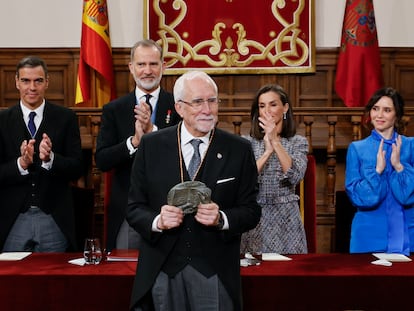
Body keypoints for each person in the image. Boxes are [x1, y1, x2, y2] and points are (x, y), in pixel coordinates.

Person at [126, 70, 261, 311]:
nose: (207, 109)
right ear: (179, 107)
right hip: (162, 267)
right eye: (198, 102)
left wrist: (222, 219)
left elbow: (251, 211)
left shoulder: (238, 149)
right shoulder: (151, 146)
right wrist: (157, 220)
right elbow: (134, 208)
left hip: (215, 269)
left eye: (212, 100)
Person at [95, 39, 180, 251]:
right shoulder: (114, 109)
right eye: (141, 64)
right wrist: (133, 142)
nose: (147, 71)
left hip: (171, 209)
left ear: (163, 66)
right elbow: (102, 160)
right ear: (131, 68)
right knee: (125, 274)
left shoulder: (179, 105)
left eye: (153, 64)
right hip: (128, 209)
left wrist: (153, 133)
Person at [0, 55, 83, 252]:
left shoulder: (66, 118)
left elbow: (78, 167)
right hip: (13, 219)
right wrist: (20, 164)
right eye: (26, 81)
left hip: (53, 217)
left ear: (47, 82)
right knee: (13, 281)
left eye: (38, 80)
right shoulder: (2, 120)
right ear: (16, 82)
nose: (32, 87)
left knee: (54, 279)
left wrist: (51, 159)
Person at [240, 84, 308, 255]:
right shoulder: (245, 143)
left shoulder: (298, 142)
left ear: (285, 108)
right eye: (262, 106)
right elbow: (244, 179)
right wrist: (267, 152)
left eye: (273, 104)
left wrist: (275, 142)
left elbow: (295, 176)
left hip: (286, 217)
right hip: (255, 216)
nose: (267, 110)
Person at [345, 87, 414, 255]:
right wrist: (377, 171)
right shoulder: (357, 148)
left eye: (387, 110)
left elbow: (408, 196)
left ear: (397, 115)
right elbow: (360, 199)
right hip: (368, 235)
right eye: (375, 109)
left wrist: (399, 167)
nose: (379, 115)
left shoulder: (411, 146)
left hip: (409, 232)